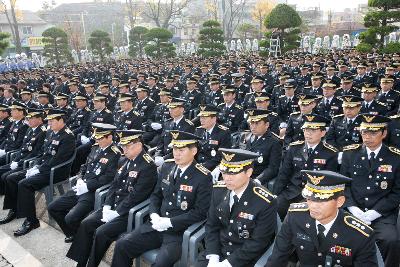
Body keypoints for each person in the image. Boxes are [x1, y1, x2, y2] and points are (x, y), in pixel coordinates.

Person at [110, 130, 212, 267]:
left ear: (193, 151)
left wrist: (170, 222)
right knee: (123, 245)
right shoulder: (167, 166)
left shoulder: (203, 176)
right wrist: (153, 214)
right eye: (175, 149)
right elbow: (156, 195)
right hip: (155, 225)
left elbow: (200, 212)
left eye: (181, 150)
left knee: (161, 263)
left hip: (178, 233)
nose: (176, 154)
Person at [66, 129, 157, 267]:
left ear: (138, 145)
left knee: (101, 232)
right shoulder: (126, 160)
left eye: (127, 146)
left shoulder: (147, 165)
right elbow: (114, 185)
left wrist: (117, 212)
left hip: (128, 212)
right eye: (123, 146)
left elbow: (137, 196)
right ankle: (81, 261)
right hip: (114, 205)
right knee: (86, 223)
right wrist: (107, 205)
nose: (124, 150)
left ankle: (92, 264)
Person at [266, 170, 377, 267]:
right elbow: (278, 256)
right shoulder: (295, 217)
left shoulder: (360, 234)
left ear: (340, 201)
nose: (313, 206)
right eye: (309, 198)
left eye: (322, 200)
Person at [195, 148, 277, 267]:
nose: (227, 178)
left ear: (248, 172)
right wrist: (213, 256)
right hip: (219, 251)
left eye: (233, 172)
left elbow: (258, 242)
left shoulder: (265, 201)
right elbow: (212, 225)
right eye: (224, 171)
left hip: (244, 259)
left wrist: (228, 263)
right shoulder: (218, 190)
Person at [0, 109, 75, 236]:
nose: (49, 124)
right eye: (49, 121)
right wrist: (35, 167)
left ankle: (31, 221)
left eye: (51, 121)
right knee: (11, 178)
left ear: (61, 120)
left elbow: (57, 160)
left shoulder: (68, 136)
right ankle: (14, 209)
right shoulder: (52, 132)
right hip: (44, 168)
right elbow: (44, 154)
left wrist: (39, 169)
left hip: (55, 172)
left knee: (24, 184)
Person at [340, 114, 400, 266]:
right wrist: (353, 209)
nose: (367, 137)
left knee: (390, 240)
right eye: (364, 132)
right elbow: (343, 185)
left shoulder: (395, 157)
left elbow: (397, 193)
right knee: (339, 237)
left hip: (382, 214)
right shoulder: (349, 154)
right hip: (353, 210)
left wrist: (374, 213)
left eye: (373, 133)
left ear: (384, 133)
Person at [48, 123, 120, 242]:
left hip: (93, 192)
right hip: (81, 186)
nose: (97, 139)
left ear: (110, 137)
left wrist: (88, 186)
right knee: (53, 207)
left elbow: (109, 178)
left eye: (101, 137)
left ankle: (82, 239)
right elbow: (84, 166)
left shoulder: (116, 154)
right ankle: (74, 234)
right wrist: (80, 178)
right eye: (96, 137)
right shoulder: (95, 148)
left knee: (71, 217)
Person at [273, 114, 338, 219]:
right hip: (291, 192)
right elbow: (284, 174)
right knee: (275, 208)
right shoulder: (294, 148)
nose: (308, 133)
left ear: (323, 133)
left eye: (313, 130)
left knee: (301, 217)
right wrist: (275, 194)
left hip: (314, 195)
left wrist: (311, 193)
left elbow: (328, 181)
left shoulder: (330, 153)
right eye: (306, 130)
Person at [0, 108, 46, 196]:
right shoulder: (30, 129)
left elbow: (35, 153)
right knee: (2, 172)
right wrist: (15, 160)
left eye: (32, 118)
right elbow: (22, 148)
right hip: (21, 158)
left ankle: (13, 204)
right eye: (28, 118)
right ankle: (5, 195)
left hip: (28, 162)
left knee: (9, 177)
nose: (29, 120)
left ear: (40, 119)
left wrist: (19, 162)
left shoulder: (42, 132)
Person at [244, 109, 282, 186]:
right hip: (242, 176)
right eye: (251, 123)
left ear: (267, 125)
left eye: (257, 123)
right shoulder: (245, 137)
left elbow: (273, 168)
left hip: (258, 179)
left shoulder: (274, 142)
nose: (253, 127)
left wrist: (258, 180)